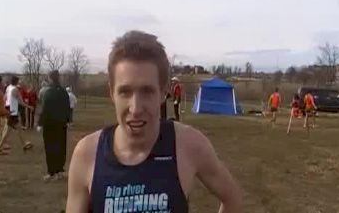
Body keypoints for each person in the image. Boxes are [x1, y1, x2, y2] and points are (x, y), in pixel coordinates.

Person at [66, 31, 242, 213]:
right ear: (112, 93)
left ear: (163, 92)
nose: (135, 108)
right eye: (125, 92)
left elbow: (232, 198)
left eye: (147, 92)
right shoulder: (87, 154)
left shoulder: (189, 145)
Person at [38, 70, 70, 181]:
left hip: (50, 124)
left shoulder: (48, 92)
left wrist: (40, 123)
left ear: (50, 78)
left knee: (50, 147)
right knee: (61, 146)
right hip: (61, 124)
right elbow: (67, 107)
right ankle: (59, 170)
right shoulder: (64, 91)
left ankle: (52, 172)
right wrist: (68, 120)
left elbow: (45, 109)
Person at [0, 76, 33, 155]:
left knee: (16, 128)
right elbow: (21, 102)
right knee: (8, 130)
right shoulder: (15, 90)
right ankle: (0, 147)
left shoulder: (8, 88)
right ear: (17, 82)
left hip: (9, 109)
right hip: (12, 111)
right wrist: (29, 107)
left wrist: (4, 106)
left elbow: (5, 98)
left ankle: (24, 143)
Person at [0, 75, 9, 145]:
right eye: (2, 81)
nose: (3, 83)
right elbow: (1, 111)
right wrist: (8, 112)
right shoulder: (0, 94)